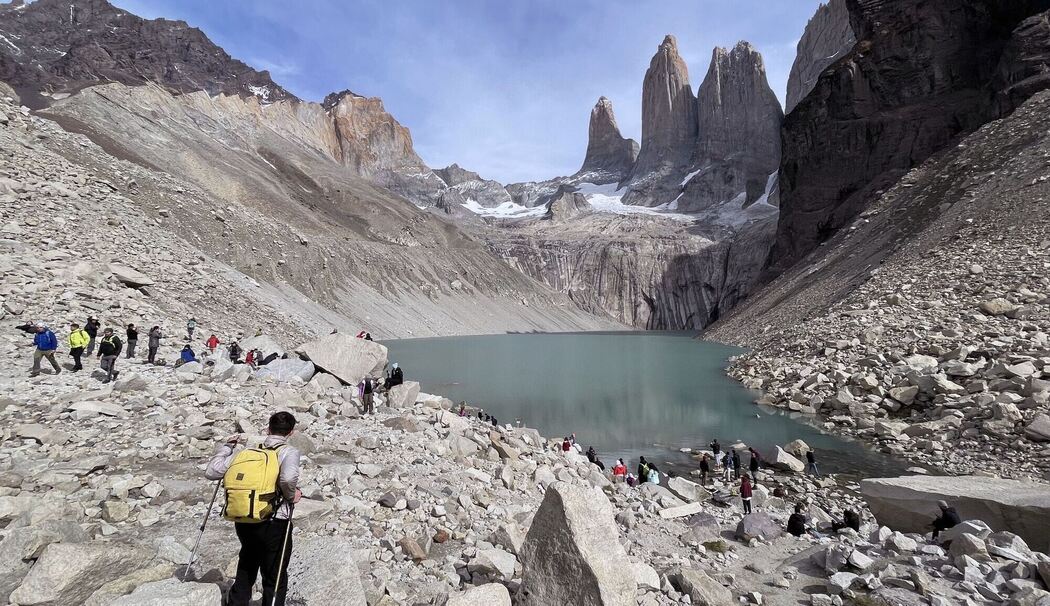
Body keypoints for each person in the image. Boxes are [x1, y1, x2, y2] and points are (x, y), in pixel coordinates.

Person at [205, 411, 301, 606]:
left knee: (248, 561)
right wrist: (292, 495)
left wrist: (227, 448)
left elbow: (212, 471)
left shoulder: (246, 453)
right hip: (275, 520)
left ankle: (237, 602)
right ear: (291, 433)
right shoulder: (288, 452)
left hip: (244, 517)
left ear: (268, 428)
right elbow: (289, 478)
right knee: (275, 573)